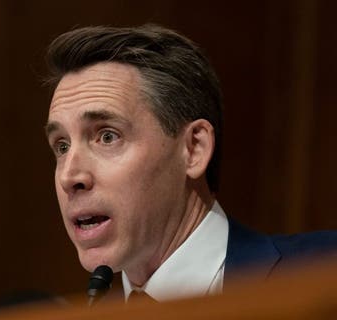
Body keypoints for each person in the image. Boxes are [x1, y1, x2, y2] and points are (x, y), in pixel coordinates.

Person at [43, 24, 337, 302]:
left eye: (107, 136)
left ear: (194, 148)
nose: (70, 175)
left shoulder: (324, 274)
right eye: (62, 145)